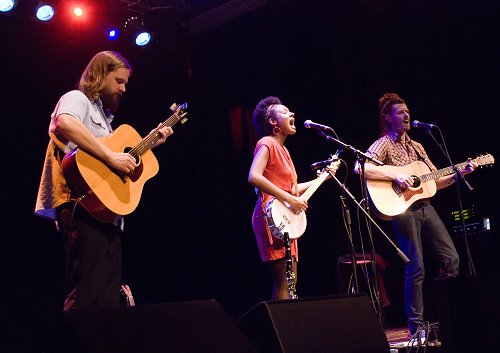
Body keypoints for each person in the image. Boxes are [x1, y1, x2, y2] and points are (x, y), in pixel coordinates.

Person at [34, 51, 173, 311]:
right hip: (81, 206)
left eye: (125, 84)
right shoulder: (77, 99)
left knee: (107, 301)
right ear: (100, 74)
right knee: (87, 294)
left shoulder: (108, 124)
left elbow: (109, 164)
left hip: (107, 213)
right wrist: (111, 156)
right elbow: (64, 123)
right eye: (119, 81)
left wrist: (150, 143)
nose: (123, 88)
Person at [356, 92, 477, 336]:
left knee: (451, 259)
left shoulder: (418, 146)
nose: (407, 115)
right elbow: (361, 166)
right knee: (416, 268)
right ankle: (416, 326)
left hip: (425, 207)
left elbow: (434, 181)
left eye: (408, 111)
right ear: (388, 118)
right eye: (401, 112)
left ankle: (448, 314)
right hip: (403, 210)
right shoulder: (384, 143)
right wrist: (395, 175)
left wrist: (459, 174)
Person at [248, 96, 322, 300]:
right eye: (285, 112)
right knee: (282, 282)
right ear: (273, 123)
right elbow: (254, 176)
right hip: (271, 216)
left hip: (285, 216)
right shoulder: (267, 143)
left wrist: (323, 177)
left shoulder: (285, 150)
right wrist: (291, 199)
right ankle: (279, 332)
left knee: (291, 282)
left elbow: (290, 189)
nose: (292, 114)